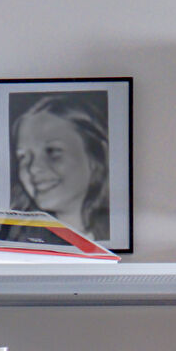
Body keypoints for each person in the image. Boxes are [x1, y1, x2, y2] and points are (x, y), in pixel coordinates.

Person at [9, 92, 110, 243]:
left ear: (95, 155)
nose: (33, 168)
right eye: (23, 157)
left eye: (52, 151)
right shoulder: (21, 238)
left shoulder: (110, 229)